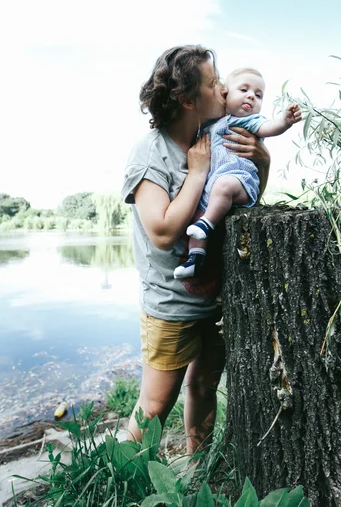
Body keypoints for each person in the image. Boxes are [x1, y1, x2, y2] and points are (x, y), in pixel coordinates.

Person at [121, 45, 270, 454]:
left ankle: (196, 468)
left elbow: (242, 201)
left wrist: (262, 161)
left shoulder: (218, 135)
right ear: (188, 100)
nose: (223, 88)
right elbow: (165, 231)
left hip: (216, 299)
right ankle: (120, 479)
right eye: (213, 82)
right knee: (154, 406)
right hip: (171, 304)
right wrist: (199, 172)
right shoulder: (151, 153)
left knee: (203, 387)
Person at [174, 67, 301, 279]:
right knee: (196, 212)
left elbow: (270, 126)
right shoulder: (210, 124)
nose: (251, 95)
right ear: (226, 95)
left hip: (240, 182)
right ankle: (195, 258)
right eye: (243, 89)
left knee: (223, 188)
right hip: (213, 186)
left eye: (258, 95)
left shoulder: (248, 121)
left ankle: (207, 224)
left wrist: (285, 122)